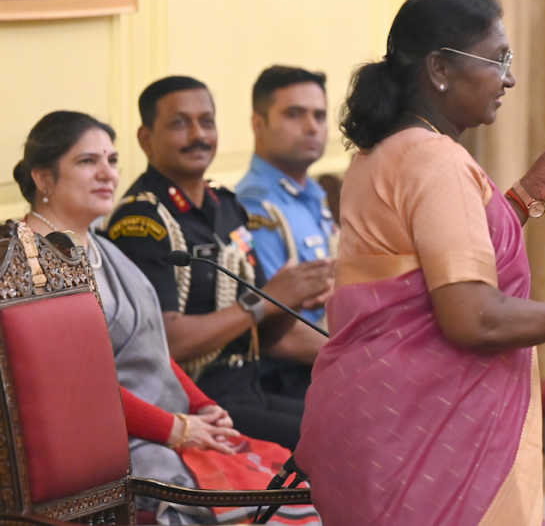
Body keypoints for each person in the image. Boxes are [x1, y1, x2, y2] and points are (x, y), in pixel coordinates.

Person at [294, 0, 545, 526]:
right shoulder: (437, 162)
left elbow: (429, 264)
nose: (508, 77)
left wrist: (526, 196)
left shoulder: (384, 151)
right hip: (424, 441)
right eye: (497, 59)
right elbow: (473, 318)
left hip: (375, 426)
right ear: (440, 68)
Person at [13, 111, 318, 525]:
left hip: (167, 425)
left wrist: (203, 405)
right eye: (88, 161)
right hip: (112, 447)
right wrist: (175, 428)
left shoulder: (101, 247)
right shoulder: (30, 265)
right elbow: (79, 390)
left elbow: (151, 345)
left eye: (112, 160)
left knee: (298, 484)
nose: (107, 173)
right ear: (43, 178)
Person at [105, 76, 333, 450]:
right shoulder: (142, 222)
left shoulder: (226, 207)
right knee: (335, 440)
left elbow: (270, 337)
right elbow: (167, 341)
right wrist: (261, 302)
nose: (198, 135)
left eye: (206, 122)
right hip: (198, 405)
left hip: (250, 388)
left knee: (358, 417)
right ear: (145, 139)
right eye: (180, 123)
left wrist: (293, 299)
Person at [236, 65, 338, 398]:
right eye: (295, 114)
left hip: (330, 361)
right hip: (292, 380)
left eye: (319, 116)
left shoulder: (312, 194)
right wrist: (364, 361)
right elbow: (279, 334)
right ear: (257, 123)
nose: (312, 127)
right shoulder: (255, 208)